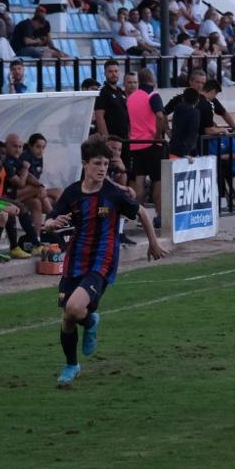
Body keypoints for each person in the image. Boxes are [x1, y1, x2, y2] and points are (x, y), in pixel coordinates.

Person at [44, 137, 165, 387]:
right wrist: (50, 224)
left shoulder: (112, 193)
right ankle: (71, 364)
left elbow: (141, 211)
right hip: (75, 259)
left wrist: (153, 243)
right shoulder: (72, 193)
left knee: (75, 308)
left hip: (102, 260)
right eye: (97, 163)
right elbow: (49, 220)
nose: (102, 169)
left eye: (106, 164)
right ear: (85, 164)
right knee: (68, 318)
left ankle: (88, 321)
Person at [127, 67, 166, 208]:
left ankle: (140, 213)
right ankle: (158, 213)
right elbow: (160, 116)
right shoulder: (153, 95)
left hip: (135, 143)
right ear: (151, 78)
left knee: (139, 179)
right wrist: (157, 136)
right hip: (151, 143)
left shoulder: (131, 98)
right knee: (158, 179)